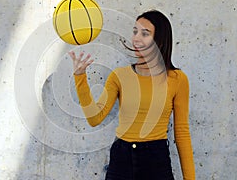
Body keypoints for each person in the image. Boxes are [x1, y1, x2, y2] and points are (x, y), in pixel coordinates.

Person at [68, 10, 195, 180]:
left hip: (156, 161)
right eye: (135, 31)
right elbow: (95, 118)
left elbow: (182, 133)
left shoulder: (177, 79)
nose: (136, 38)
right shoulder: (119, 76)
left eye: (145, 33)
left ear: (160, 40)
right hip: (121, 160)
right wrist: (80, 77)